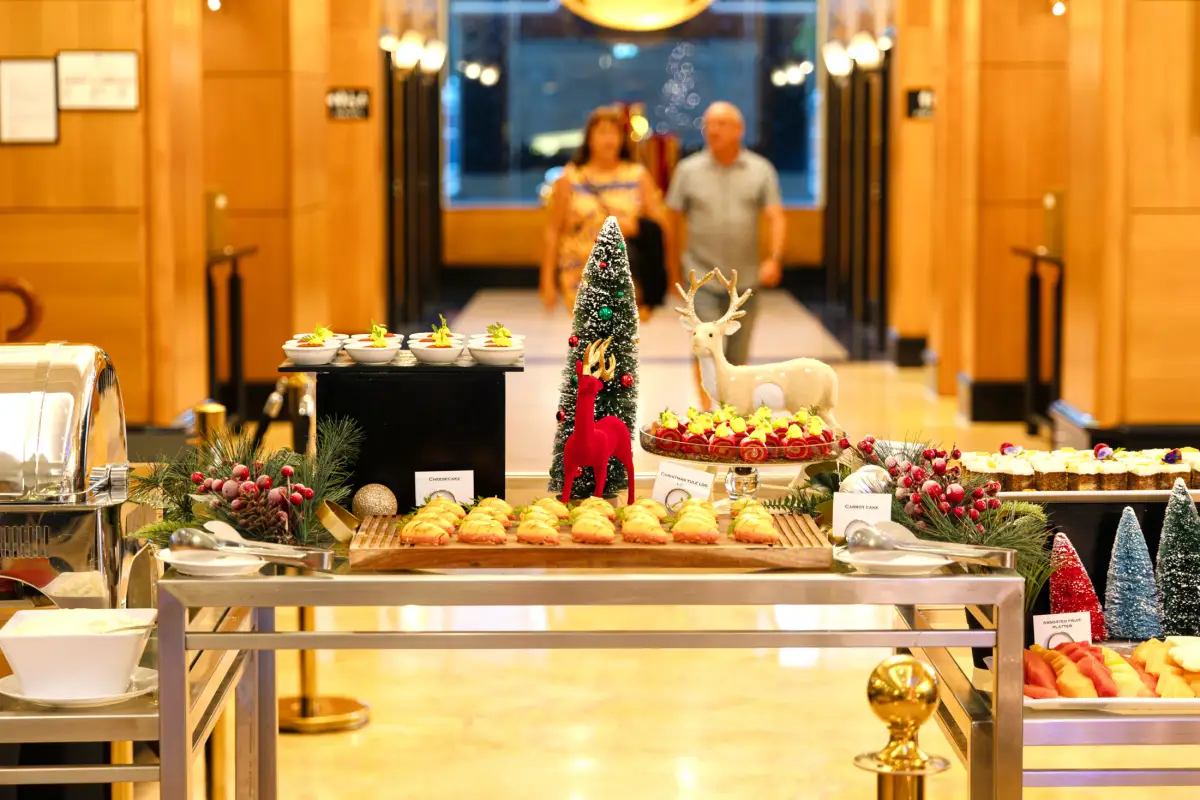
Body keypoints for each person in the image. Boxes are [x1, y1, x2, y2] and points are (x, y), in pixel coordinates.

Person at [666, 102, 785, 402]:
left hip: (744, 280)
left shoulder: (761, 170)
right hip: (700, 278)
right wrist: (671, 269)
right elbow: (672, 222)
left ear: (739, 129)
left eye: (721, 124)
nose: (713, 130)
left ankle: (730, 410)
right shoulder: (687, 170)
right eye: (708, 124)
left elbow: (775, 217)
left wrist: (775, 258)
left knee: (737, 355)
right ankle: (708, 413)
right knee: (706, 349)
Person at [541, 106, 669, 316]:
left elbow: (660, 226)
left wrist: (634, 227)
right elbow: (553, 230)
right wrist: (546, 280)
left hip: (625, 276)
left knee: (621, 341)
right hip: (579, 274)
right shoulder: (570, 178)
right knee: (588, 340)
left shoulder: (637, 176)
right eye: (601, 132)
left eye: (614, 132)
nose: (608, 139)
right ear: (589, 139)